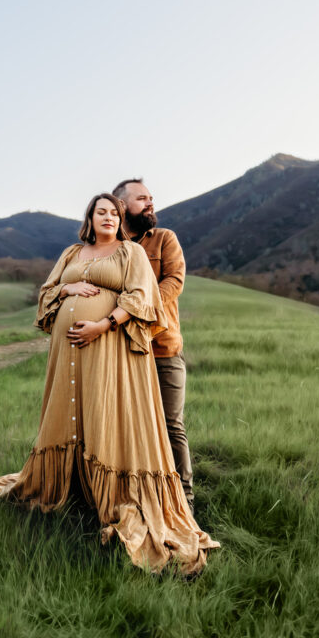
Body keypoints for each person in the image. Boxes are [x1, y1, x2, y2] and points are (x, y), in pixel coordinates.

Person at [0, 192, 219, 576]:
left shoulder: (131, 253)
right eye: (100, 212)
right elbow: (46, 292)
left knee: (104, 414)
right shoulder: (72, 253)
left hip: (109, 347)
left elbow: (143, 296)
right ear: (89, 218)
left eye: (114, 213)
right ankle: (74, 490)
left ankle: (114, 496)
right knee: (73, 416)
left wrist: (101, 325)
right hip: (67, 354)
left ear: (121, 220)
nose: (108, 217)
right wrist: (66, 290)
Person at [112, 179, 194, 512]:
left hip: (163, 348)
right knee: (125, 427)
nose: (150, 203)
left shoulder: (164, 239)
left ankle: (185, 501)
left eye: (151, 198)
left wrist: (135, 309)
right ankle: (133, 497)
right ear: (121, 206)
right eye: (141, 198)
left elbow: (174, 281)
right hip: (119, 352)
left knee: (171, 424)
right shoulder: (110, 245)